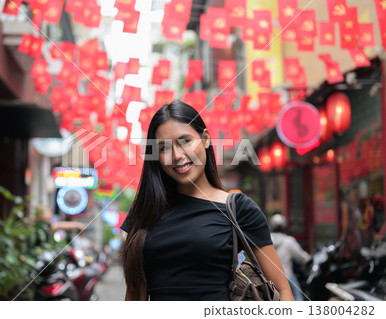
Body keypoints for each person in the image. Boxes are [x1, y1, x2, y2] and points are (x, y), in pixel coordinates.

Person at [119, 100, 294, 301]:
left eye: (185, 141)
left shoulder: (238, 209)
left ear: (206, 139)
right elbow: (134, 296)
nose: (177, 155)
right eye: (165, 148)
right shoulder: (145, 210)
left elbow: (283, 290)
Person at [269, 214, 311, 301]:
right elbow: (302, 257)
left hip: (268, 277)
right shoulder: (288, 240)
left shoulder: (266, 240)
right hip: (287, 275)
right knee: (298, 296)